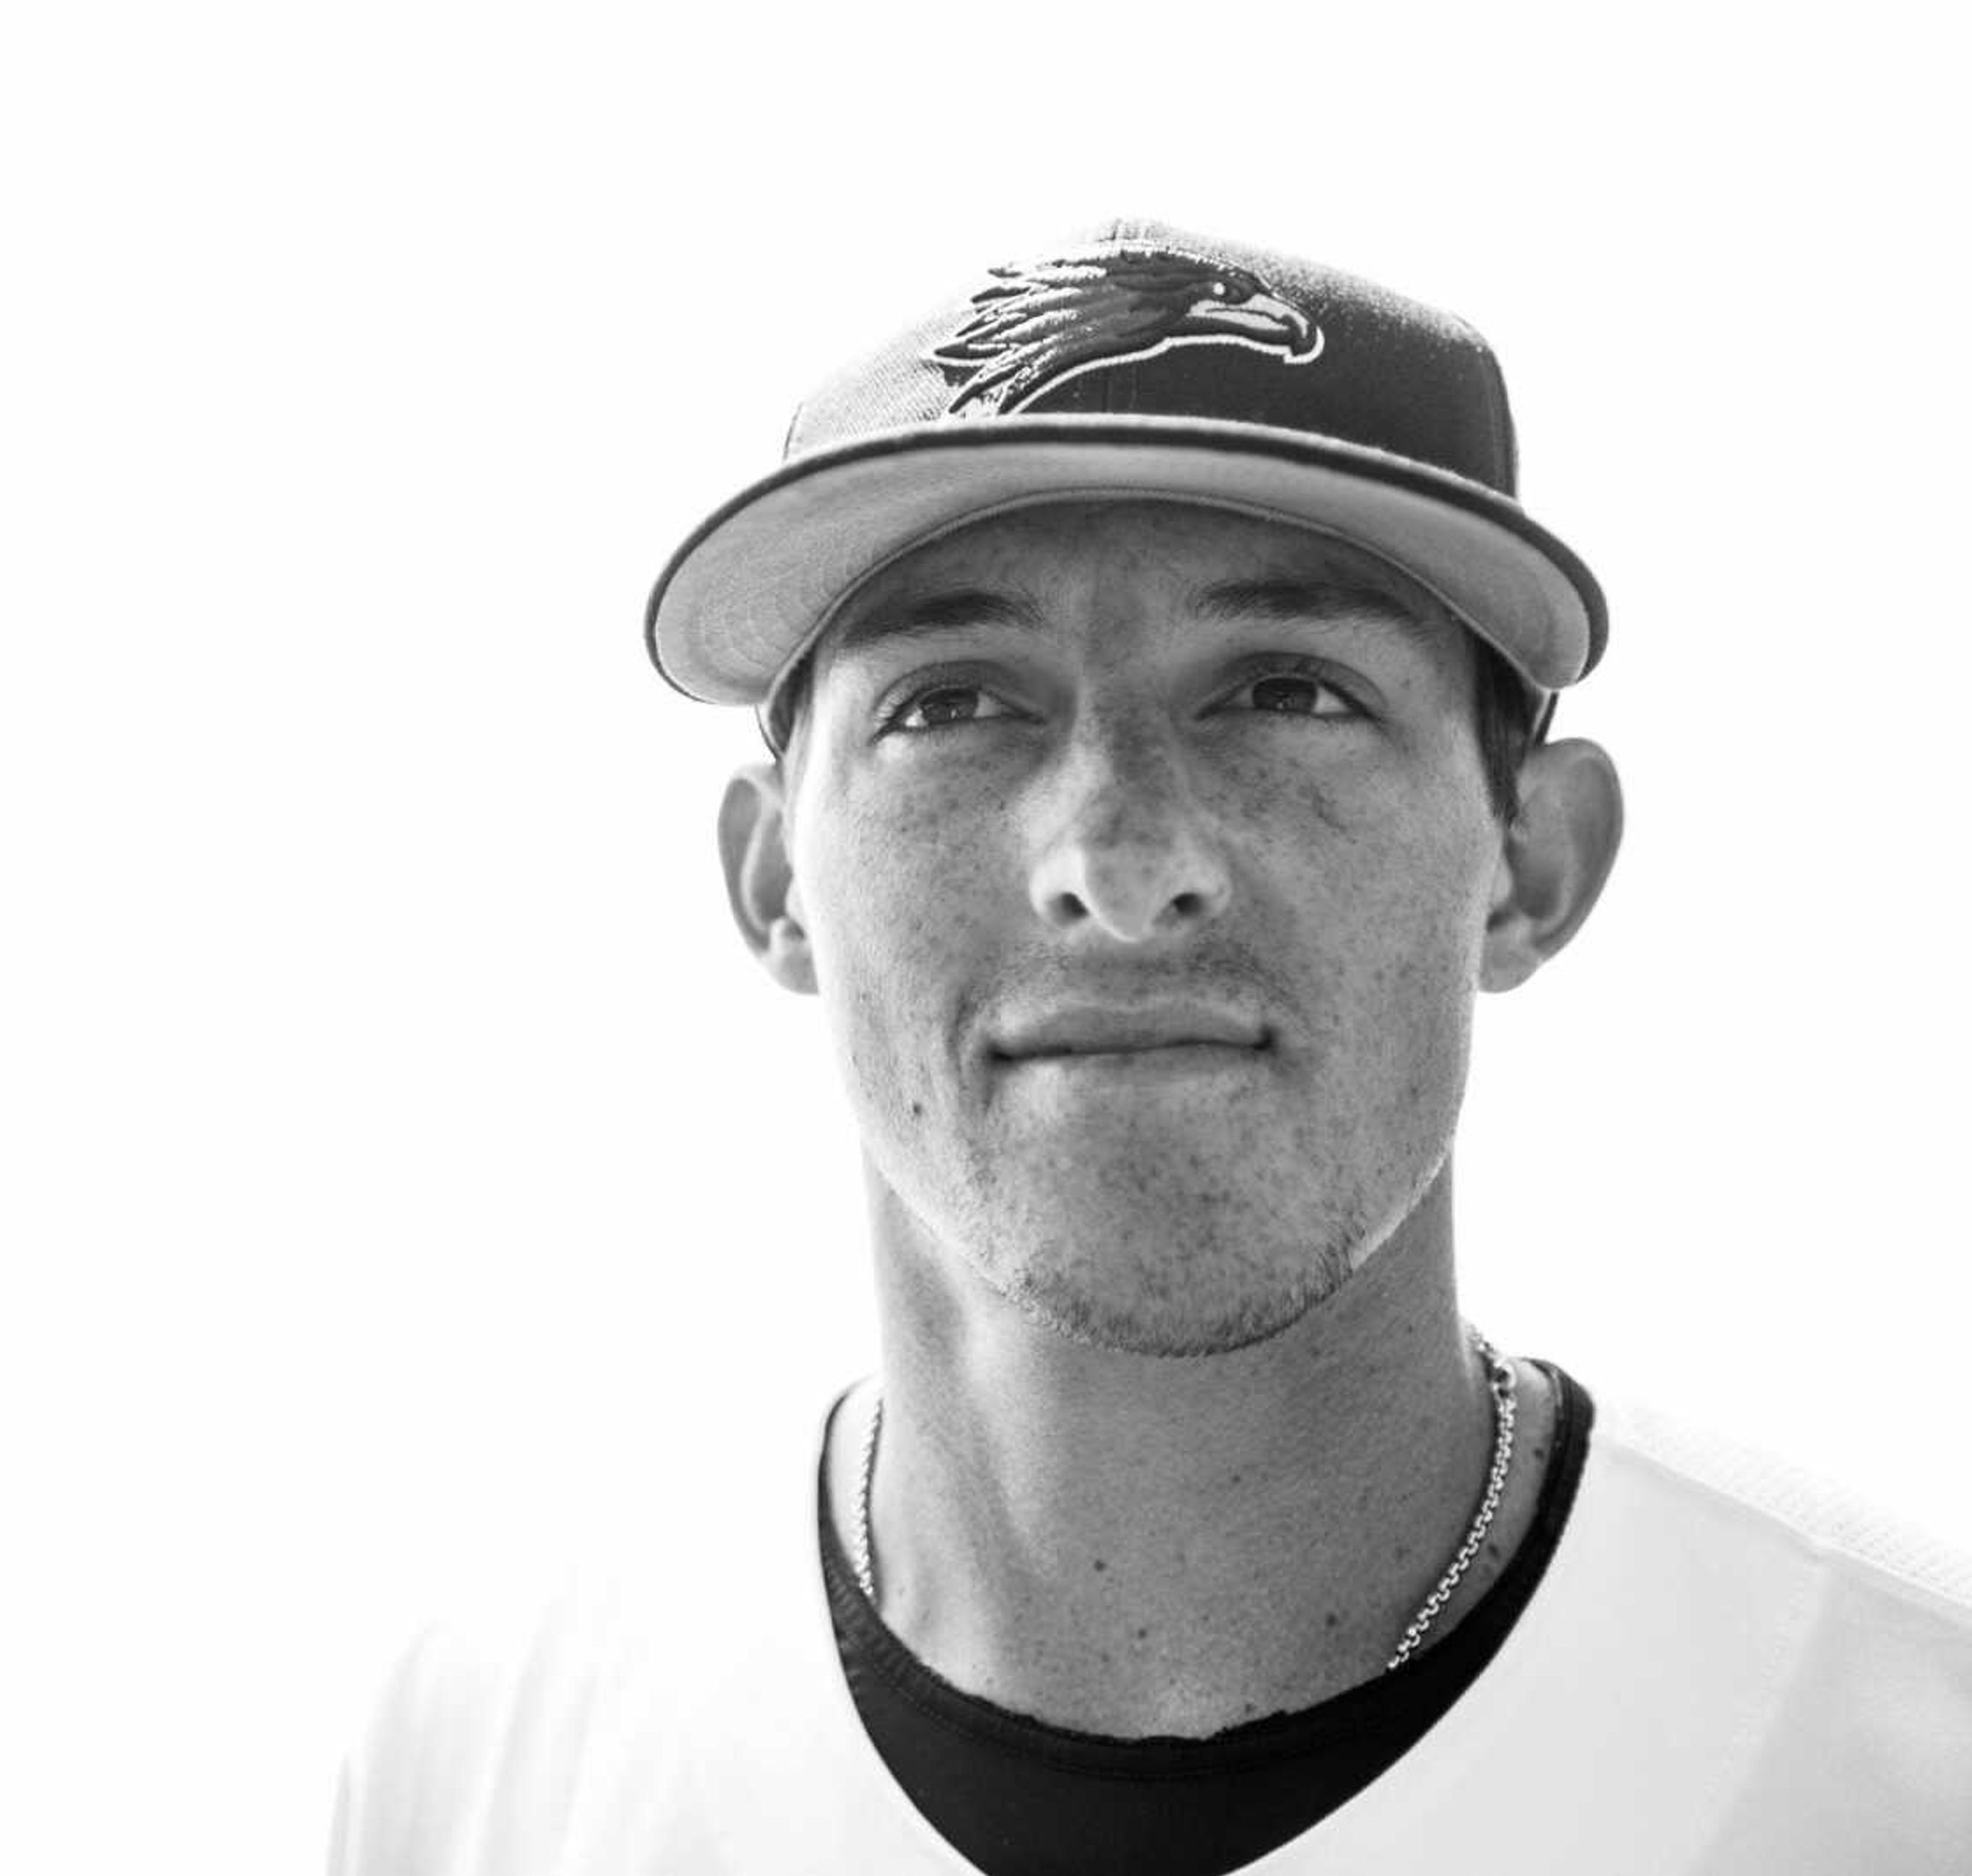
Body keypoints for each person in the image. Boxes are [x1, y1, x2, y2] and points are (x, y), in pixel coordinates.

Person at [330, 221, 1972, 1872]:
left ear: (1532, 860)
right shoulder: (486, 1760)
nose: (1116, 862)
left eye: (1285, 690)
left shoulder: (1915, 1749)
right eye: (955, 703)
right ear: (774, 880)